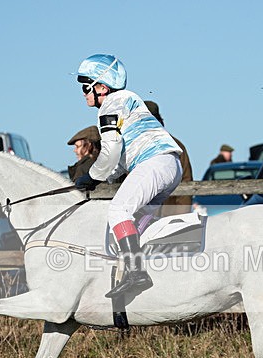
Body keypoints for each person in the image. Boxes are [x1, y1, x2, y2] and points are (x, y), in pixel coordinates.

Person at [73, 54, 183, 298]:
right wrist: (108, 177)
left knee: (117, 211)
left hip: (154, 164)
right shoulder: (128, 100)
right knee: (138, 221)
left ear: (101, 87)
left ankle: (137, 274)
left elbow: (111, 149)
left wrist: (91, 177)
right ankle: (147, 271)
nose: (82, 93)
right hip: (170, 166)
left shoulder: (111, 105)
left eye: (85, 86)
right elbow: (121, 157)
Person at [144, 100, 193, 216]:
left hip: (168, 216)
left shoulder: (176, 147)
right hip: (139, 217)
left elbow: (186, 184)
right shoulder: (132, 148)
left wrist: (180, 218)